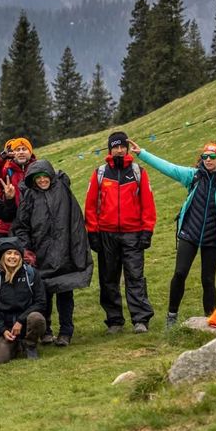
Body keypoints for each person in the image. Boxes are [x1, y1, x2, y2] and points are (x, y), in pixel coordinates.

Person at [132, 141, 216, 329]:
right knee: (180, 273)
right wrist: (142, 153)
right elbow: (169, 168)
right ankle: (171, 317)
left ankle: (212, 322)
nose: (207, 160)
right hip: (189, 232)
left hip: (213, 236)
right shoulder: (194, 176)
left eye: (212, 157)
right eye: (205, 156)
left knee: (208, 279)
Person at [11, 159, 93, 346]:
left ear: (51, 176)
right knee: (43, 296)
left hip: (65, 252)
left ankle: (66, 332)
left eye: (44, 176)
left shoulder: (63, 189)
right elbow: (21, 226)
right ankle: (45, 331)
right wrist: (27, 248)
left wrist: (76, 248)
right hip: (41, 254)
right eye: (37, 178)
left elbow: (74, 220)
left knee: (65, 295)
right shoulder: (30, 196)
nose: (42, 180)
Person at [85, 131, 157, 333]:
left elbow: (148, 204)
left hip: (133, 233)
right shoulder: (100, 173)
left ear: (126, 148)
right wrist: (93, 232)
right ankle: (114, 321)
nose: (119, 149)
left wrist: (147, 230)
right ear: (109, 149)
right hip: (106, 234)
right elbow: (90, 205)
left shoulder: (138, 172)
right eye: (115, 146)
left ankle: (140, 320)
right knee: (108, 279)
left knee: (135, 277)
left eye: (122, 146)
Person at [0, 239, 48, 364]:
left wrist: (20, 321)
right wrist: (3, 329)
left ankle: (30, 344)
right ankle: (15, 344)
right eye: (9, 253)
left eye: (16, 254)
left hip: (28, 323)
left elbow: (41, 302)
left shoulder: (31, 274)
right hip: (7, 327)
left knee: (36, 317)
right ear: (2, 256)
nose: (12, 257)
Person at [0, 137, 36, 235]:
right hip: (8, 227)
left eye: (24, 149)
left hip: (33, 224)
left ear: (30, 152)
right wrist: (2, 156)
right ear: (12, 154)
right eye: (17, 150)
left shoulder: (37, 170)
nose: (21, 152)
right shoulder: (6, 172)